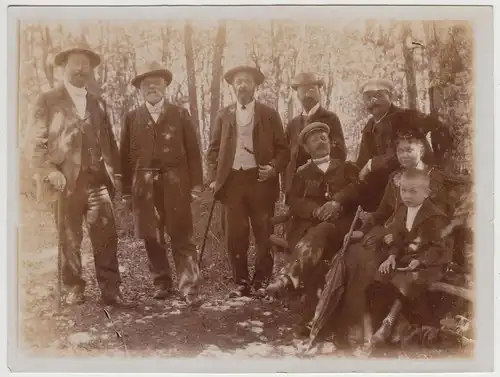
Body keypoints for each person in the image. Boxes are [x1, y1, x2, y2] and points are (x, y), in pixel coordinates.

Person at [27, 42, 133, 307]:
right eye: (75, 63)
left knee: (107, 237)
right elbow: (34, 144)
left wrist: (118, 175)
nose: (80, 69)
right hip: (66, 184)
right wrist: (50, 171)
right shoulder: (48, 100)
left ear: (91, 70)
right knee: (70, 238)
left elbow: (110, 144)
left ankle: (111, 291)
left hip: (97, 182)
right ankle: (74, 287)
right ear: (64, 67)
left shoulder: (99, 103)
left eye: (85, 64)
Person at [120, 61, 203, 305]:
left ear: (165, 86)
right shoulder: (131, 118)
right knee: (152, 236)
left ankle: (189, 287)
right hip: (143, 187)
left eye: (156, 82)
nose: (152, 87)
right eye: (146, 84)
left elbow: (193, 152)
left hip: (176, 183)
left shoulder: (180, 114)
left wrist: (196, 185)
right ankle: (161, 282)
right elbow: (124, 157)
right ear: (140, 90)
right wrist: (126, 191)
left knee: (182, 236)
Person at [265, 122, 361, 335]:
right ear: (306, 148)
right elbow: (294, 201)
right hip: (309, 231)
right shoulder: (301, 173)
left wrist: (337, 201)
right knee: (315, 258)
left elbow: (358, 190)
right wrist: (315, 210)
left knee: (324, 231)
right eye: (314, 138)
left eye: (324, 137)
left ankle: (288, 277)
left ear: (331, 141)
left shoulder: (347, 167)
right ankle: (312, 320)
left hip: (339, 229)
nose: (321, 140)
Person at [206, 65, 289, 298]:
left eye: (247, 81)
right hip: (232, 182)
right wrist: (214, 178)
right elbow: (212, 151)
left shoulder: (269, 114)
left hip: (260, 180)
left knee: (264, 232)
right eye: (239, 82)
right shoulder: (223, 114)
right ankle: (240, 282)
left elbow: (284, 150)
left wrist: (273, 169)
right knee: (235, 234)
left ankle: (261, 280)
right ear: (233, 86)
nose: (242, 85)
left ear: (255, 86)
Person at [368, 169, 451, 345]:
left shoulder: (434, 217)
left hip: (431, 264)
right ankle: (384, 323)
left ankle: (412, 322)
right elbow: (397, 239)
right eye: (403, 190)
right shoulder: (402, 211)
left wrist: (421, 260)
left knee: (408, 281)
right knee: (381, 275)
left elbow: (440, 248)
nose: (407, 195)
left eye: (413, 191)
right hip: (407, 260)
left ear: (426, 193)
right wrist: (391, 256)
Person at [355, 79, 453, 212]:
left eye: (379, 96)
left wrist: (440, 160)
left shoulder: (406, 117)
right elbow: (362, 161)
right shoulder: (370, 127)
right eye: (368, 97)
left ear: (390, 97)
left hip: (414, 177)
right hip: (386, 185)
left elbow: (437, 126)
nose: (373, 101)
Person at [282, 72, 347, 197]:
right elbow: (286, 157)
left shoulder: (331, 118)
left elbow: (339, 153)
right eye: (303, 90)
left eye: (312, 89)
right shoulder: (293, 124)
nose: (307, 93)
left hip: (322, 186)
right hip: (296, 190)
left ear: (319, 92)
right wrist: (287, 186)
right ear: (297, 94)